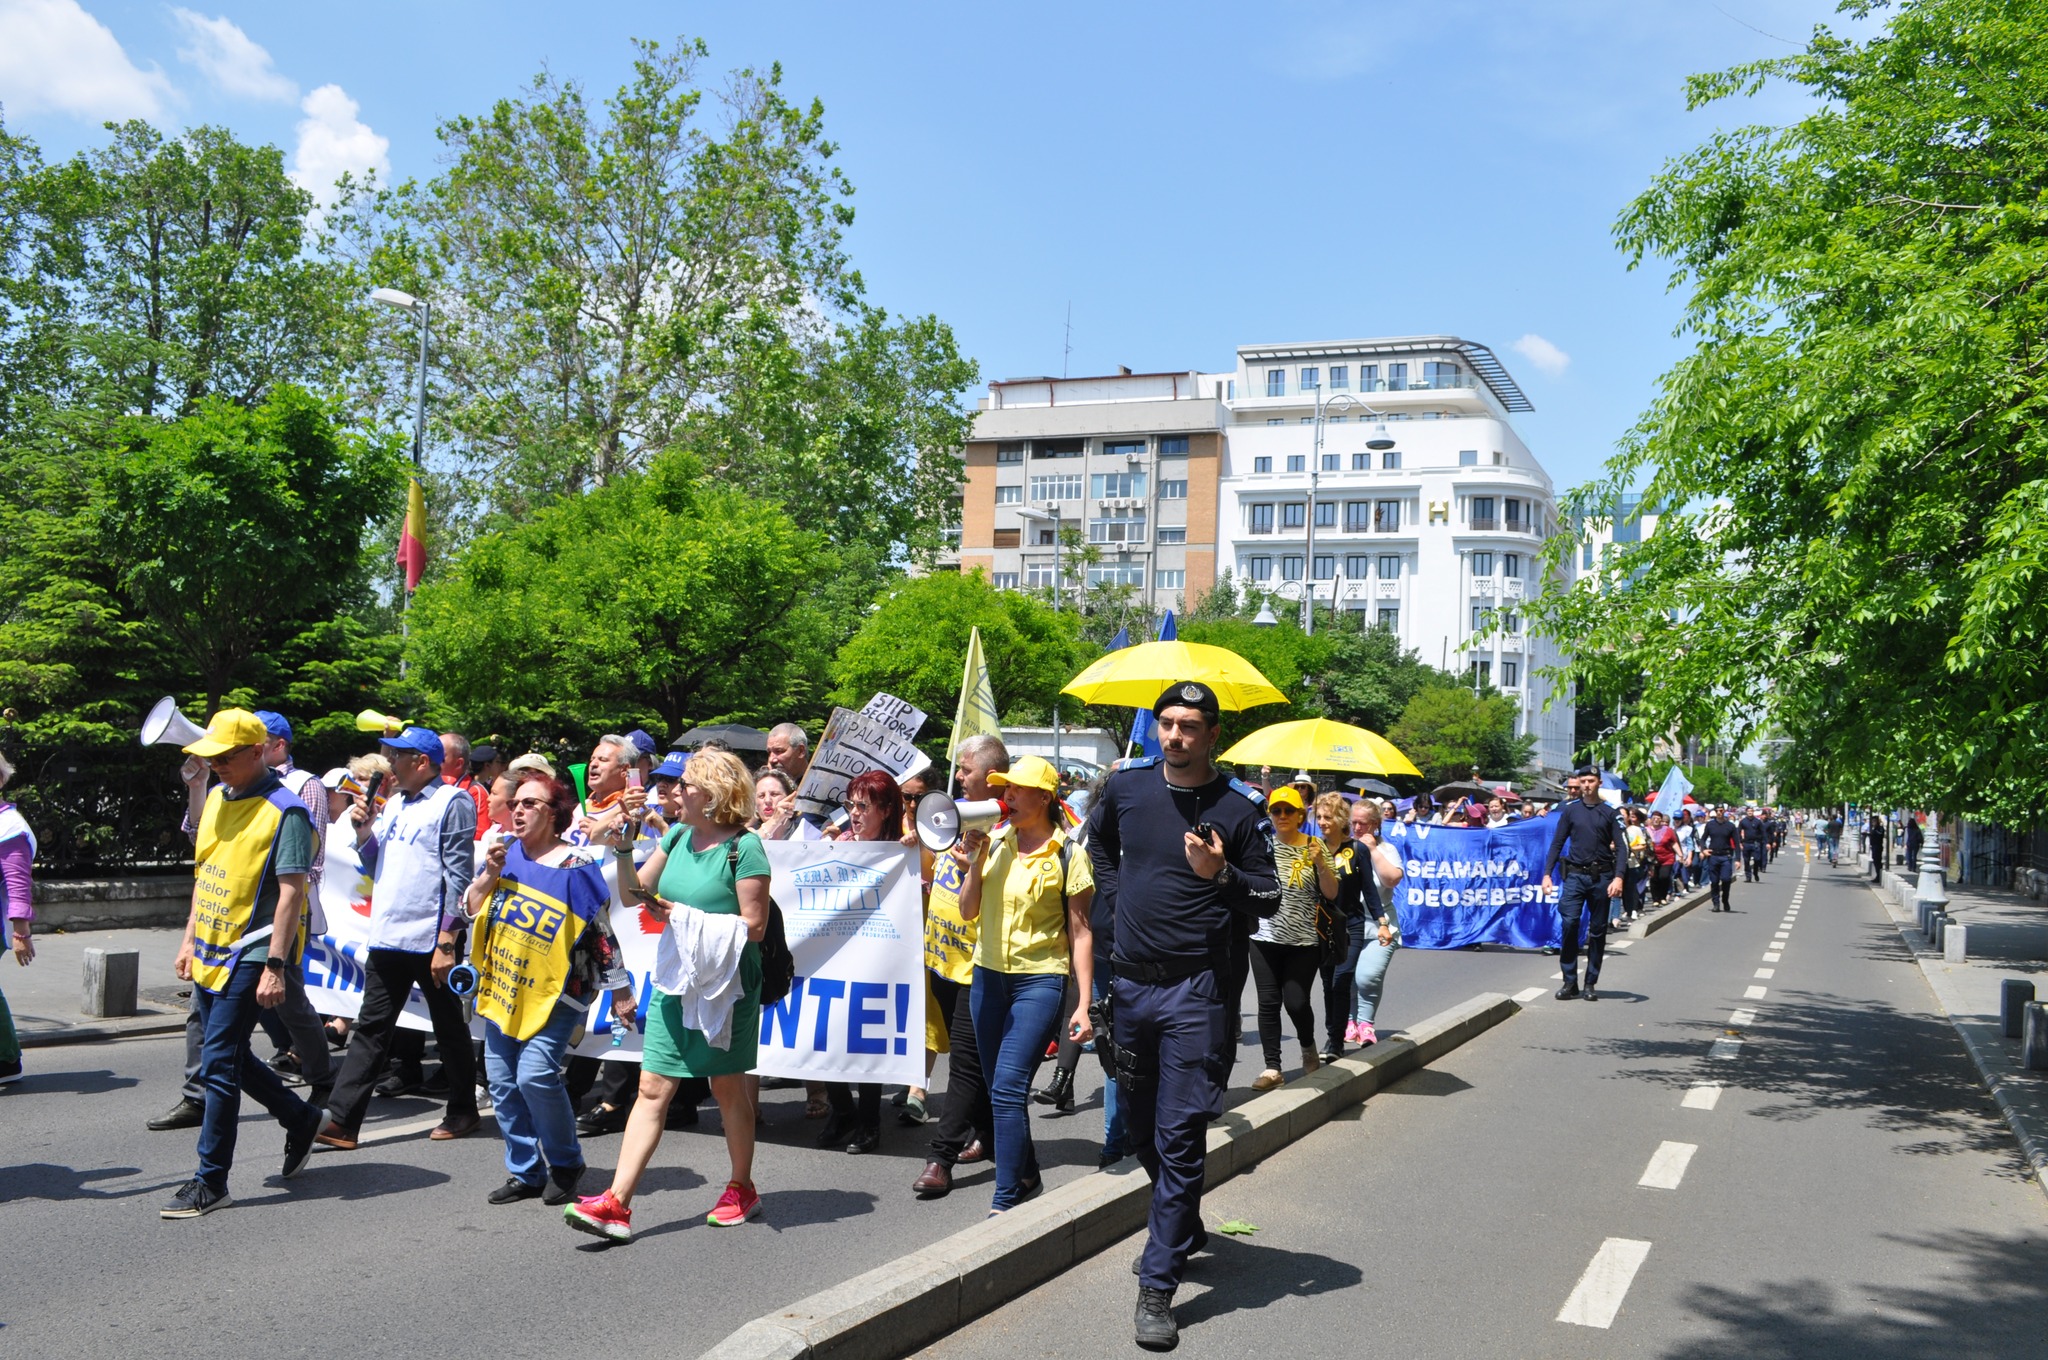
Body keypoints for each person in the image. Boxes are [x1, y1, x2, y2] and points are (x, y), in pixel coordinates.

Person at [1086, 681, 1279, 1350]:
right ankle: (1183, 1224)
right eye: (1166, 723)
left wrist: (1219, 875)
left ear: (1212, 735)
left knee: (1179, 1138)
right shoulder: (1127, 789)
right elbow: (1099, 850)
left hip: (1197, 994)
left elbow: (1269, 899)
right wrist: (1116, 908)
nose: (1174, 736)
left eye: (1189, 726)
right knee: (1137, 1130)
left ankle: (1159, 1286)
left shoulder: (1241, 809)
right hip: (1131, 988)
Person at [565, 748, 769, 1240]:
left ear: (714, 792)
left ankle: (742, 1186)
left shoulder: (746, 848)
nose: (676, 791)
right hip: (677, 980)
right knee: (652, 1087)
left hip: (726, 985)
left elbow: (755, 926)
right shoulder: (676, 834)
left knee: (727, 1087)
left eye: (686, 784)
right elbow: (637, 893)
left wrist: (683, 915)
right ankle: (616, 1202)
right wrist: (622, 850)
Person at [163, 710, 325, 1218]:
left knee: (217, 1063)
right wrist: (189, 939)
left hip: (253, 952)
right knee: (226, 1056)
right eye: (212, 756)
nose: (217, 765)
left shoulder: (288, 811)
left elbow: (292, 893)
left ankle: (211, 1180)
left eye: (226, 757)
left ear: (258, 752)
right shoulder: (216, 796)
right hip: (212, 946)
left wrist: (276, 965)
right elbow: (205, 873)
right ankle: (299, 1117)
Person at [463, 769, 633, 1206]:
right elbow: (470, 908)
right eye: (515, 803)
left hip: (562, 991)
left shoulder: (577, 866)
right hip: (505, 986)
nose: (518, 811)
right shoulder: (505, 856)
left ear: (554, 814)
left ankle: (565, 1162)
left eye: (530, 804)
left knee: (535, 1075)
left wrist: (620, 990)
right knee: (501, 1081)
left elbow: (600, 933)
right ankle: (526, 1172)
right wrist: (489, 873)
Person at [315, 725, 480, 1151]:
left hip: (431, 938)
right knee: (371, 1028)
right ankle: (342, 1121)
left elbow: (459, 875)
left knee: (447, 1028)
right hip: (389, 936)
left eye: (399, 757)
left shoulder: (452, 801)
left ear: (421, 762)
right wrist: (366, 833)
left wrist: (448, 938)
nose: (389, 764)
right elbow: (377, 866)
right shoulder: (393, 805)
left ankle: (462, 1108)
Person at [953, 755, 1095, 1216]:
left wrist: (1084, 1003)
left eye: (1016, 789)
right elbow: (968, 911)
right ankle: (1028, 1174)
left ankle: (1006, 1196)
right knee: (1000, 1089)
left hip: (1040, 980)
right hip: (988, 977)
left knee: (1010, 1086)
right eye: (1004, 788)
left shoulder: (1070, 854)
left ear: (1044, 797)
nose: (1006, 796)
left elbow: (1081, 931)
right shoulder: (993, 842)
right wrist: (972, 863)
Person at [912, 736, 1004, 1199]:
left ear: (989, 775)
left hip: (977, 966)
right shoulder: (950, 816)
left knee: (964, 1067)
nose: (957, 776)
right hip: (941, 961)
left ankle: (940, 1158)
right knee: (979, 1065)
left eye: (964, 769)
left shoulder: (1003, 829)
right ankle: (989, 1135)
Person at [818, 770, 902, 1155]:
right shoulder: (840, 844)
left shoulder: (903, 852)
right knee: (828, 1034)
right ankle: (842, 1111)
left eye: (863, 806)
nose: (854, 813)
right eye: (850, 804)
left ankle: (870, 1122)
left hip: (879, 962)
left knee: (868, 1040)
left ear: (885, 810)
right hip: (836, 958)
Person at [1244, 784, 1336, 1091]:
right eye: (1276, 810)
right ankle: (1273, 1067)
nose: (1282, 816)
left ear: (1301, 814)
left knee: (1296, 1002)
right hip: (1263, 936)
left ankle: (1308, 1048)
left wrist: (1320, 863)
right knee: (1268, 1003)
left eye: (1288, 811)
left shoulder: (1316, 845)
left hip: (1303, 941)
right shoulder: (1260, 844)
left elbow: (1332, 892)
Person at [1540, 767, 1624, 1002]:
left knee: (1597, 931)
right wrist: (1547, 874)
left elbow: (1622, 847)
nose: (1586, 785)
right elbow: (1557, 843)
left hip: (1601, 878)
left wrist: (1618, 877)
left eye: (1591, 781)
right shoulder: (1570, 811)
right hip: (1575, 877)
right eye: (1583, 781)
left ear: (1598, 783)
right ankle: (1569, 982)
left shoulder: (1610, 812)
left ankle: (1590, 983)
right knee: (1569, 923)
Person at [1340, 797, 1403, 1049]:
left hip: (1380, 925)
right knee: (1347, 977)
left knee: (1367, 976)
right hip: (1348, 924)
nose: (1356, 828)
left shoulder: (1386, 850)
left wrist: (1373, 850)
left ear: (1375, 825)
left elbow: (1392, 880)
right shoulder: (1343, 848)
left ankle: (1366, 1022)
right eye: (1353, 823)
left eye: (1362, 824)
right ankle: (1350, 1021)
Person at [1, 753, 37, 1084]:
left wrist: (21, 933)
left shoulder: (9, 828)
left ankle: (7, 1059)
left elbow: (17, 883)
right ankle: (7, 1060)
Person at [440, 732, 492, 837]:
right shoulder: (428, 786)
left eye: (440, 755)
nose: (433, 759)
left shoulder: (475, 792)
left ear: (459, 763)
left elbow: (479, 835)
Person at [1701, 805, 1741, 911]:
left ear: (1724, 811)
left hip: (1726, 856)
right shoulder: (1710, 825)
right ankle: (1716, 903)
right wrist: (1703, 849)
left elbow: (1737, 843)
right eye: (1717, 811)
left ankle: (1725, 899)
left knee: (1726, 879)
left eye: (1721, 810)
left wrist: (1738, 859)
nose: (1719, 812)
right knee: (1714, 881)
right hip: (1713, 856)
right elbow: (1702, 839)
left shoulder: (1730, 826)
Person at [1647, 810, 1678, 906]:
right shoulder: (1646, 830)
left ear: (1661, 820)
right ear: (1651, 819)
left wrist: (1680, 855)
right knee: (1654, 878)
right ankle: (1655, 899)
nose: (1656, 820)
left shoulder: (1667, 830)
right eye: (1654, 818)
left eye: (1658, 818)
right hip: (1652, 859)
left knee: (1663, 877)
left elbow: (1674, 843)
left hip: (1667, 858)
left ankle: (1663, 897)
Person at [1739, 805, 1768, 883]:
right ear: (1746, 812)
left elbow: (1763, 832)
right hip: (1746, 843)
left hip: (1755, 843)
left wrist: (1766, 842)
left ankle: (1755, 872)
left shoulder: (1757, 821)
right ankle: (1748, 877)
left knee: (1757, 859)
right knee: (1746, 861)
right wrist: (1740, 842)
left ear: (1753, 812)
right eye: (1748, 811)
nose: (1750, 812)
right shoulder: (1743, 821)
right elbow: (1738, 832)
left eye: (1751, 811)